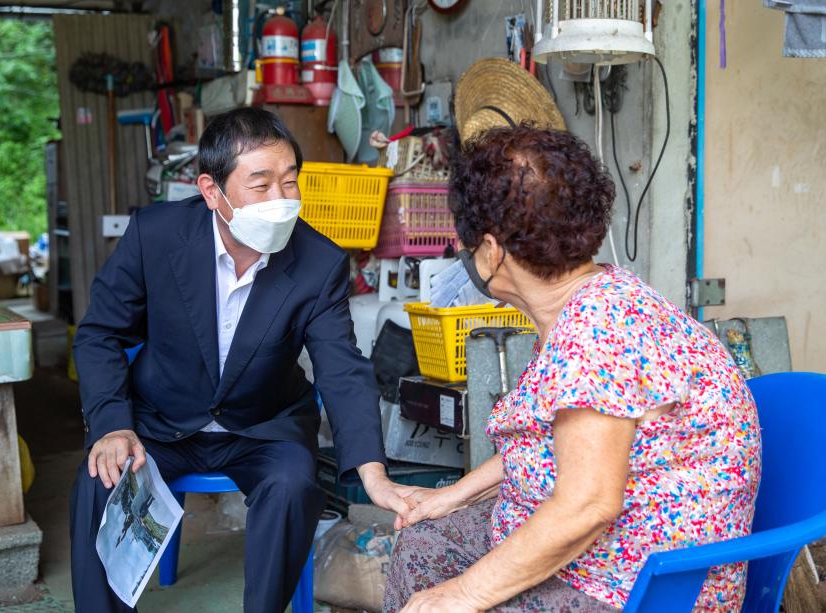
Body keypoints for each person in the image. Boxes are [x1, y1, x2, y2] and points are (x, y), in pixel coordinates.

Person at [384, 125, 761, 612]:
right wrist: (453, 496)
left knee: (450, 597)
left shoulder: (597, 333)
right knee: (422, 545)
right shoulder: (595, 296)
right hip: (597, 554)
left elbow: (588, 505)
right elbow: (549, 442)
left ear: (492, 252)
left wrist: (463, 594)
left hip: (637, 587)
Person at [70, 107, 411, 613]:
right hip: (160, 422)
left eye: (290, 182)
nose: (280, 199)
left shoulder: (319, 263)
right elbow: (100, 333)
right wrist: (112, 425)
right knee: (101, 479)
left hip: (263, 425)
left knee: (293, 486)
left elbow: (341, 366)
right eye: (260, 184)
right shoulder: (155, 235)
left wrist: (372, 470)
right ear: (212, 191)